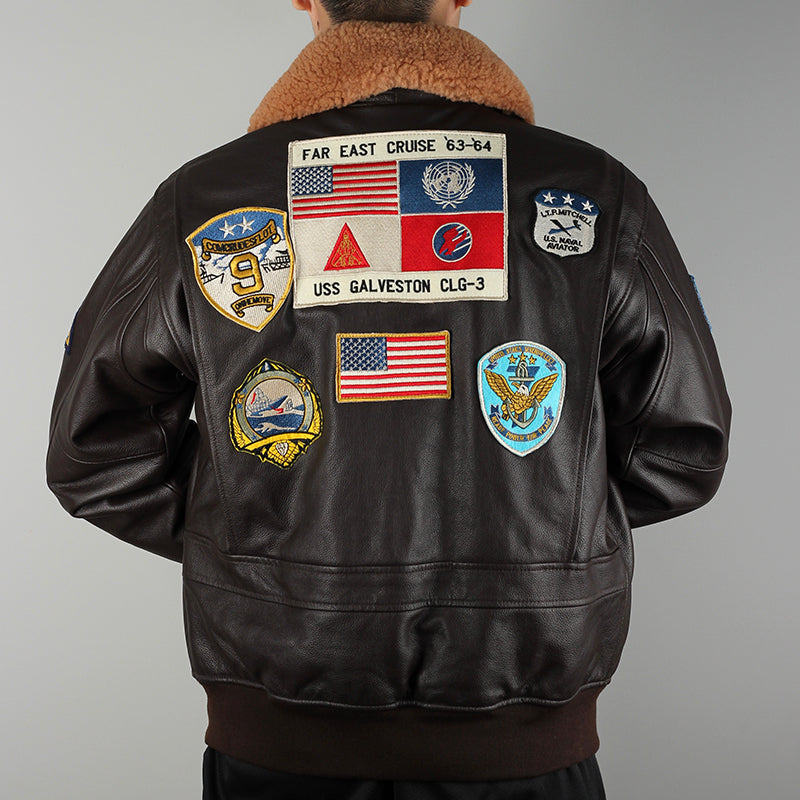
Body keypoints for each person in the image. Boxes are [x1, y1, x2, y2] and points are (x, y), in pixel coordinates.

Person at [46, 0, 732, 797]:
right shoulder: (595, 192)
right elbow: (684, 447)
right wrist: (546, 521)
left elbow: (96, 450)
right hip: (528, 750)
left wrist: (251, 537)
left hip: (276, 747)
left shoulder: (203, 197)